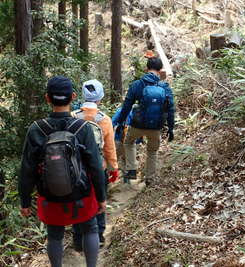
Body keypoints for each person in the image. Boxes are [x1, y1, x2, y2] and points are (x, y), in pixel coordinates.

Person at [18, 75, 106, 267]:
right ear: (73, 96)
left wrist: (24, 201)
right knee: (90, 229)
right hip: (82, 195)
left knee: (54, 235)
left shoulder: (36, 129)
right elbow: (95, 166)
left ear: (47, 98)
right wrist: (101, 197)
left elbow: (27, 168)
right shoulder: (83, 127)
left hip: (50, 195)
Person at [71, 79, 119, 248]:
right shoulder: (104, 120)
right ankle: (99, 236)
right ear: (100, 98)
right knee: (100, 200)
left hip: (75, 169)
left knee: (77, 202)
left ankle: (78, 240)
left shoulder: (73, 116)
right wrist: (114, 167)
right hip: (99, 168)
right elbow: (109, 148)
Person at [116, 56, 175, 186]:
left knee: (129, 142)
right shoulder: (164, 87)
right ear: (160, 70)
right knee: (152, 151)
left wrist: (120, 123)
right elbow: (170, 109)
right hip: (156, 127)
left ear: (146, 69)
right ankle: (150, 178)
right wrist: (171, 128)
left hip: (137, 124)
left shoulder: (137, 85)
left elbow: (126, 106)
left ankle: (131, 169)